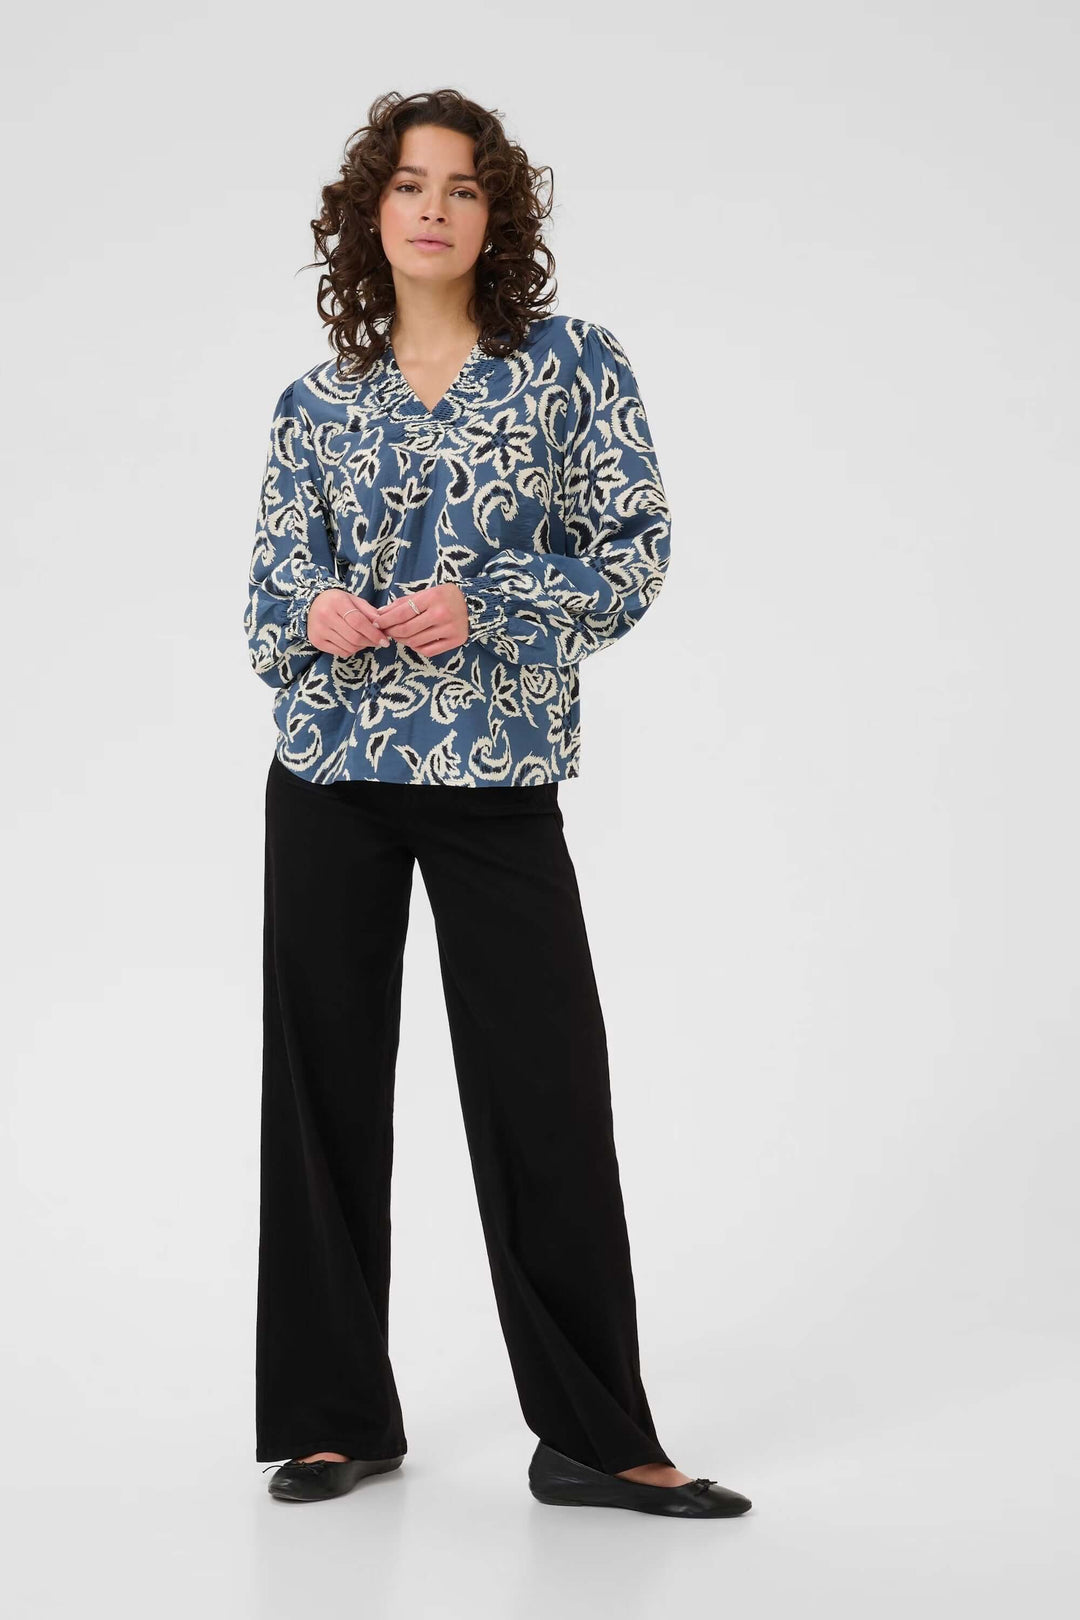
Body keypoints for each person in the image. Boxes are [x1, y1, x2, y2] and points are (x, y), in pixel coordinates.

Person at [244, 88, 751, 1521]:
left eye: (463, 189)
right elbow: (268, 601)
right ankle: (335, 1417)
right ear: (370, 210)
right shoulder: (315, 402)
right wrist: (322, 614)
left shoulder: (570, 368)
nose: (433, 209)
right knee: (322, 1098)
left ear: (495, 215)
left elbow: (634, 551)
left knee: (545, 1098)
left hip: (495, 778)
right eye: (409, 184)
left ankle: (596, 1435)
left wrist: (500, 601)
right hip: (331, 776)